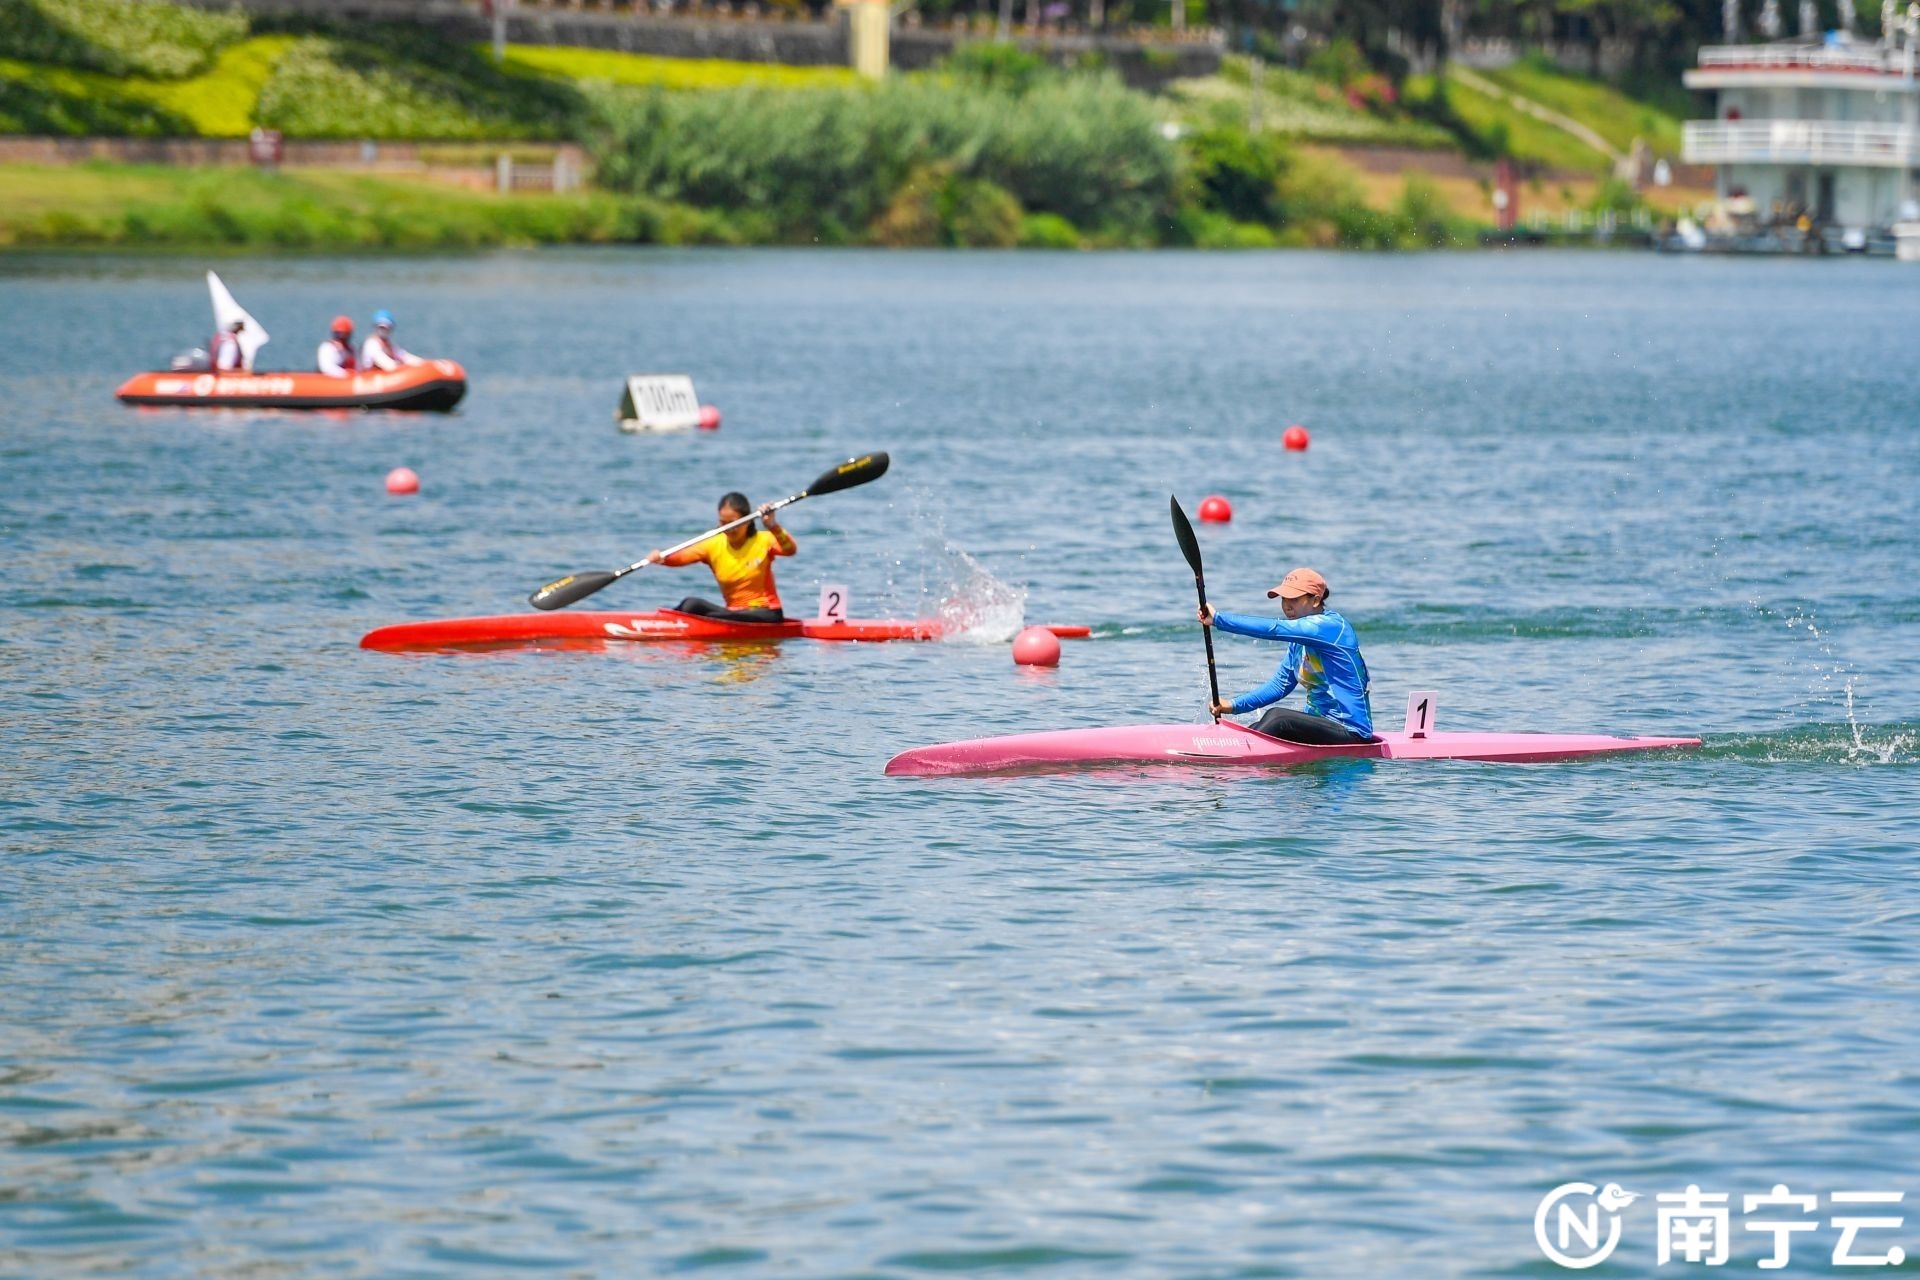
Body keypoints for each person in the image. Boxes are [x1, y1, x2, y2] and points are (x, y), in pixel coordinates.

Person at [1198, 566, 1375, 745]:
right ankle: (1232, 754)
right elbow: (1279, 686)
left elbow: (1274, 629)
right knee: (1257, 726)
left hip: (1351, 732)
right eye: (1284, 599)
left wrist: (1219, 619)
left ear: (1315, 600)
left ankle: (1234, 754)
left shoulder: (1331, 627)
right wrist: (1233, 705)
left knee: (1278, 718)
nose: (1287, 606)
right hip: (1321, 728)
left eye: (1294, 599)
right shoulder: (1298, 641)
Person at [645, 492, 796, 623]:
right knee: (691, 604)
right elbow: (683, 557)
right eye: (723, 523)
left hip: (766, 613)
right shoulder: (714, 544)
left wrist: (772, 525)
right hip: (732, 614)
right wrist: (663, 558)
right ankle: (663, 624)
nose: (728, 528)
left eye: (732, 523)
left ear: (747, 520)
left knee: (715, 615)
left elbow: (790, 550)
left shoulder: (764, 540)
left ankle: (692, 623)